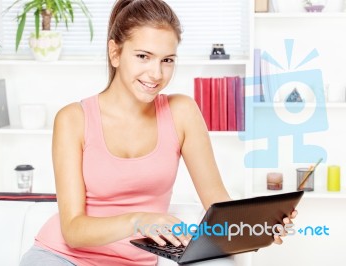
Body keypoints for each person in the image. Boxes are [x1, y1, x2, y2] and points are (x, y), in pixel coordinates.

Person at [20, 0, 297, 265]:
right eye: (143, 56)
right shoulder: (73, 119)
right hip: (62, 256)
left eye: (167, 60)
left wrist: (257, 225)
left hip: (136, 260)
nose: (156, 74)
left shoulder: (182, 112)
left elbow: (217, 202)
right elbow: (73, 230)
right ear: (115, 53)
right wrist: (138, 221)